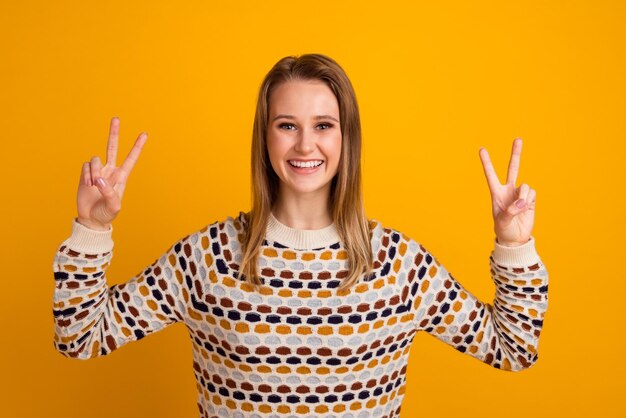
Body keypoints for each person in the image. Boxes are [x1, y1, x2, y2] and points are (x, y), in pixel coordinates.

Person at [52, 54, 548, 418]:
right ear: (264, 137)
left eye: (323, 125)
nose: (305, 144)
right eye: (287, 125)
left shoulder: (399, 264)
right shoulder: (207, 256)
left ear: (345, 137)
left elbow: (514, 347)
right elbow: (80, 337)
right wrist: (93, 228)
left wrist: (513, 243)